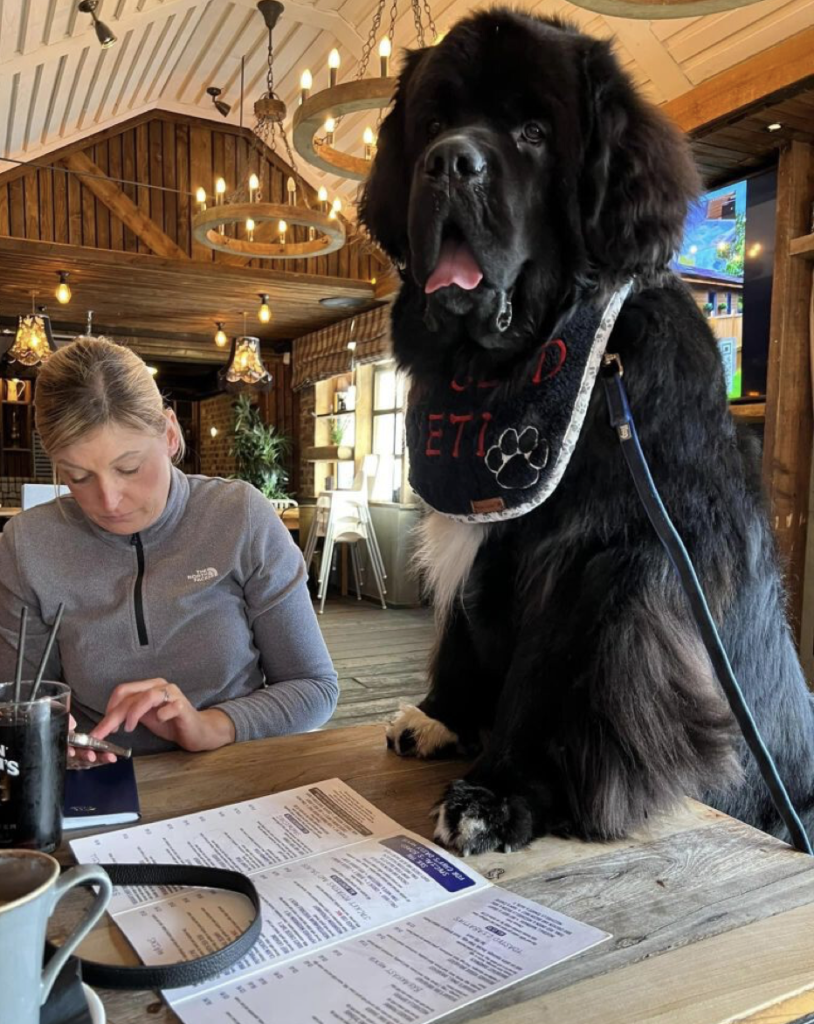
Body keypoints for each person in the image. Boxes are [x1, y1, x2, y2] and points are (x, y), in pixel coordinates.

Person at [0, 337, 338, 756]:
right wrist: (44, 735)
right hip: (96, 785)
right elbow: (18, 696)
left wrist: (210, 726)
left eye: (129, 467)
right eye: (78, 476)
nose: (109, 500)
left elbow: (315, 688)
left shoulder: (240, 516)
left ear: (171, 434)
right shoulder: (29, 543)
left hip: (232, 773)